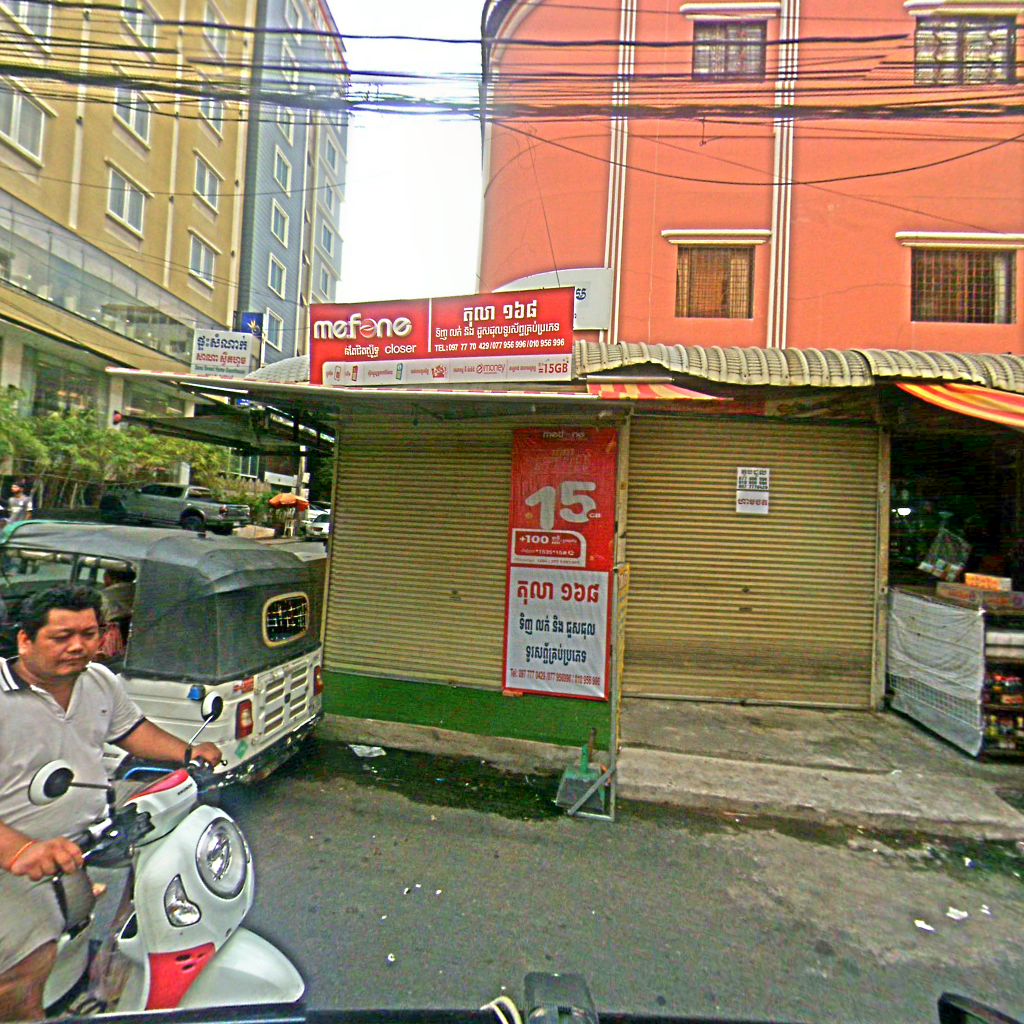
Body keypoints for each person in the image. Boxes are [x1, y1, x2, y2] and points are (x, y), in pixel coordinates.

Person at [0, 584, 222, 1021]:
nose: (78, 646)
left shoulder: (98, 681)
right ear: (25, 640)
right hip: (18, 853)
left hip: (88, 827)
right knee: (22, 973)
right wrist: (19, 850)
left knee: (175, 822)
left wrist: (188, 753)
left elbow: (132, 730)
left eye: (89, 634)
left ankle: (115, 961)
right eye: (61, 637)